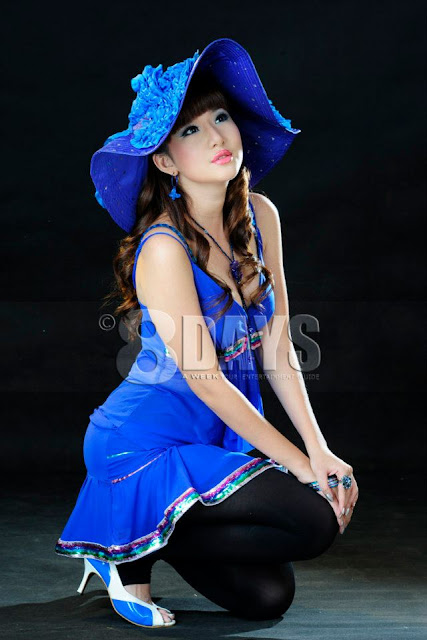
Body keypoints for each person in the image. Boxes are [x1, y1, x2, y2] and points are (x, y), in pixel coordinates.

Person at [55, 38, 359, 629]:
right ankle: (127, 544)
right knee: (314, 520)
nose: (217, 136)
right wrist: (301, 466)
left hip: (209, 438)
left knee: (268, 597)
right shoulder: (163, 247)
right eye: (191, 131)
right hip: (143, 443)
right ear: (165, 162)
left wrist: (319, 449)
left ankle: (129, 541)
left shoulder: (261, 216)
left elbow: (278, 348)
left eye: (221, 117)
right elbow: (206, 379)